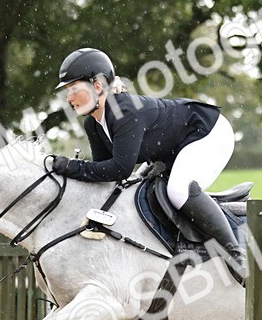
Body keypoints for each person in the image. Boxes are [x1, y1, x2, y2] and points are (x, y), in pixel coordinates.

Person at [46, 47, 245, 278]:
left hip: (208, 132)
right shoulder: (93, 123)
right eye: (67, 90)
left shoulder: (124, 111)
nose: (69, 97)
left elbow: (120, 168)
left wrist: (70, 167)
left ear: (97, 86)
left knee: (178, 191)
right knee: (136, 187)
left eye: (73, 88)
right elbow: (105, 174)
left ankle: (236, 253)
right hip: (173, 148)